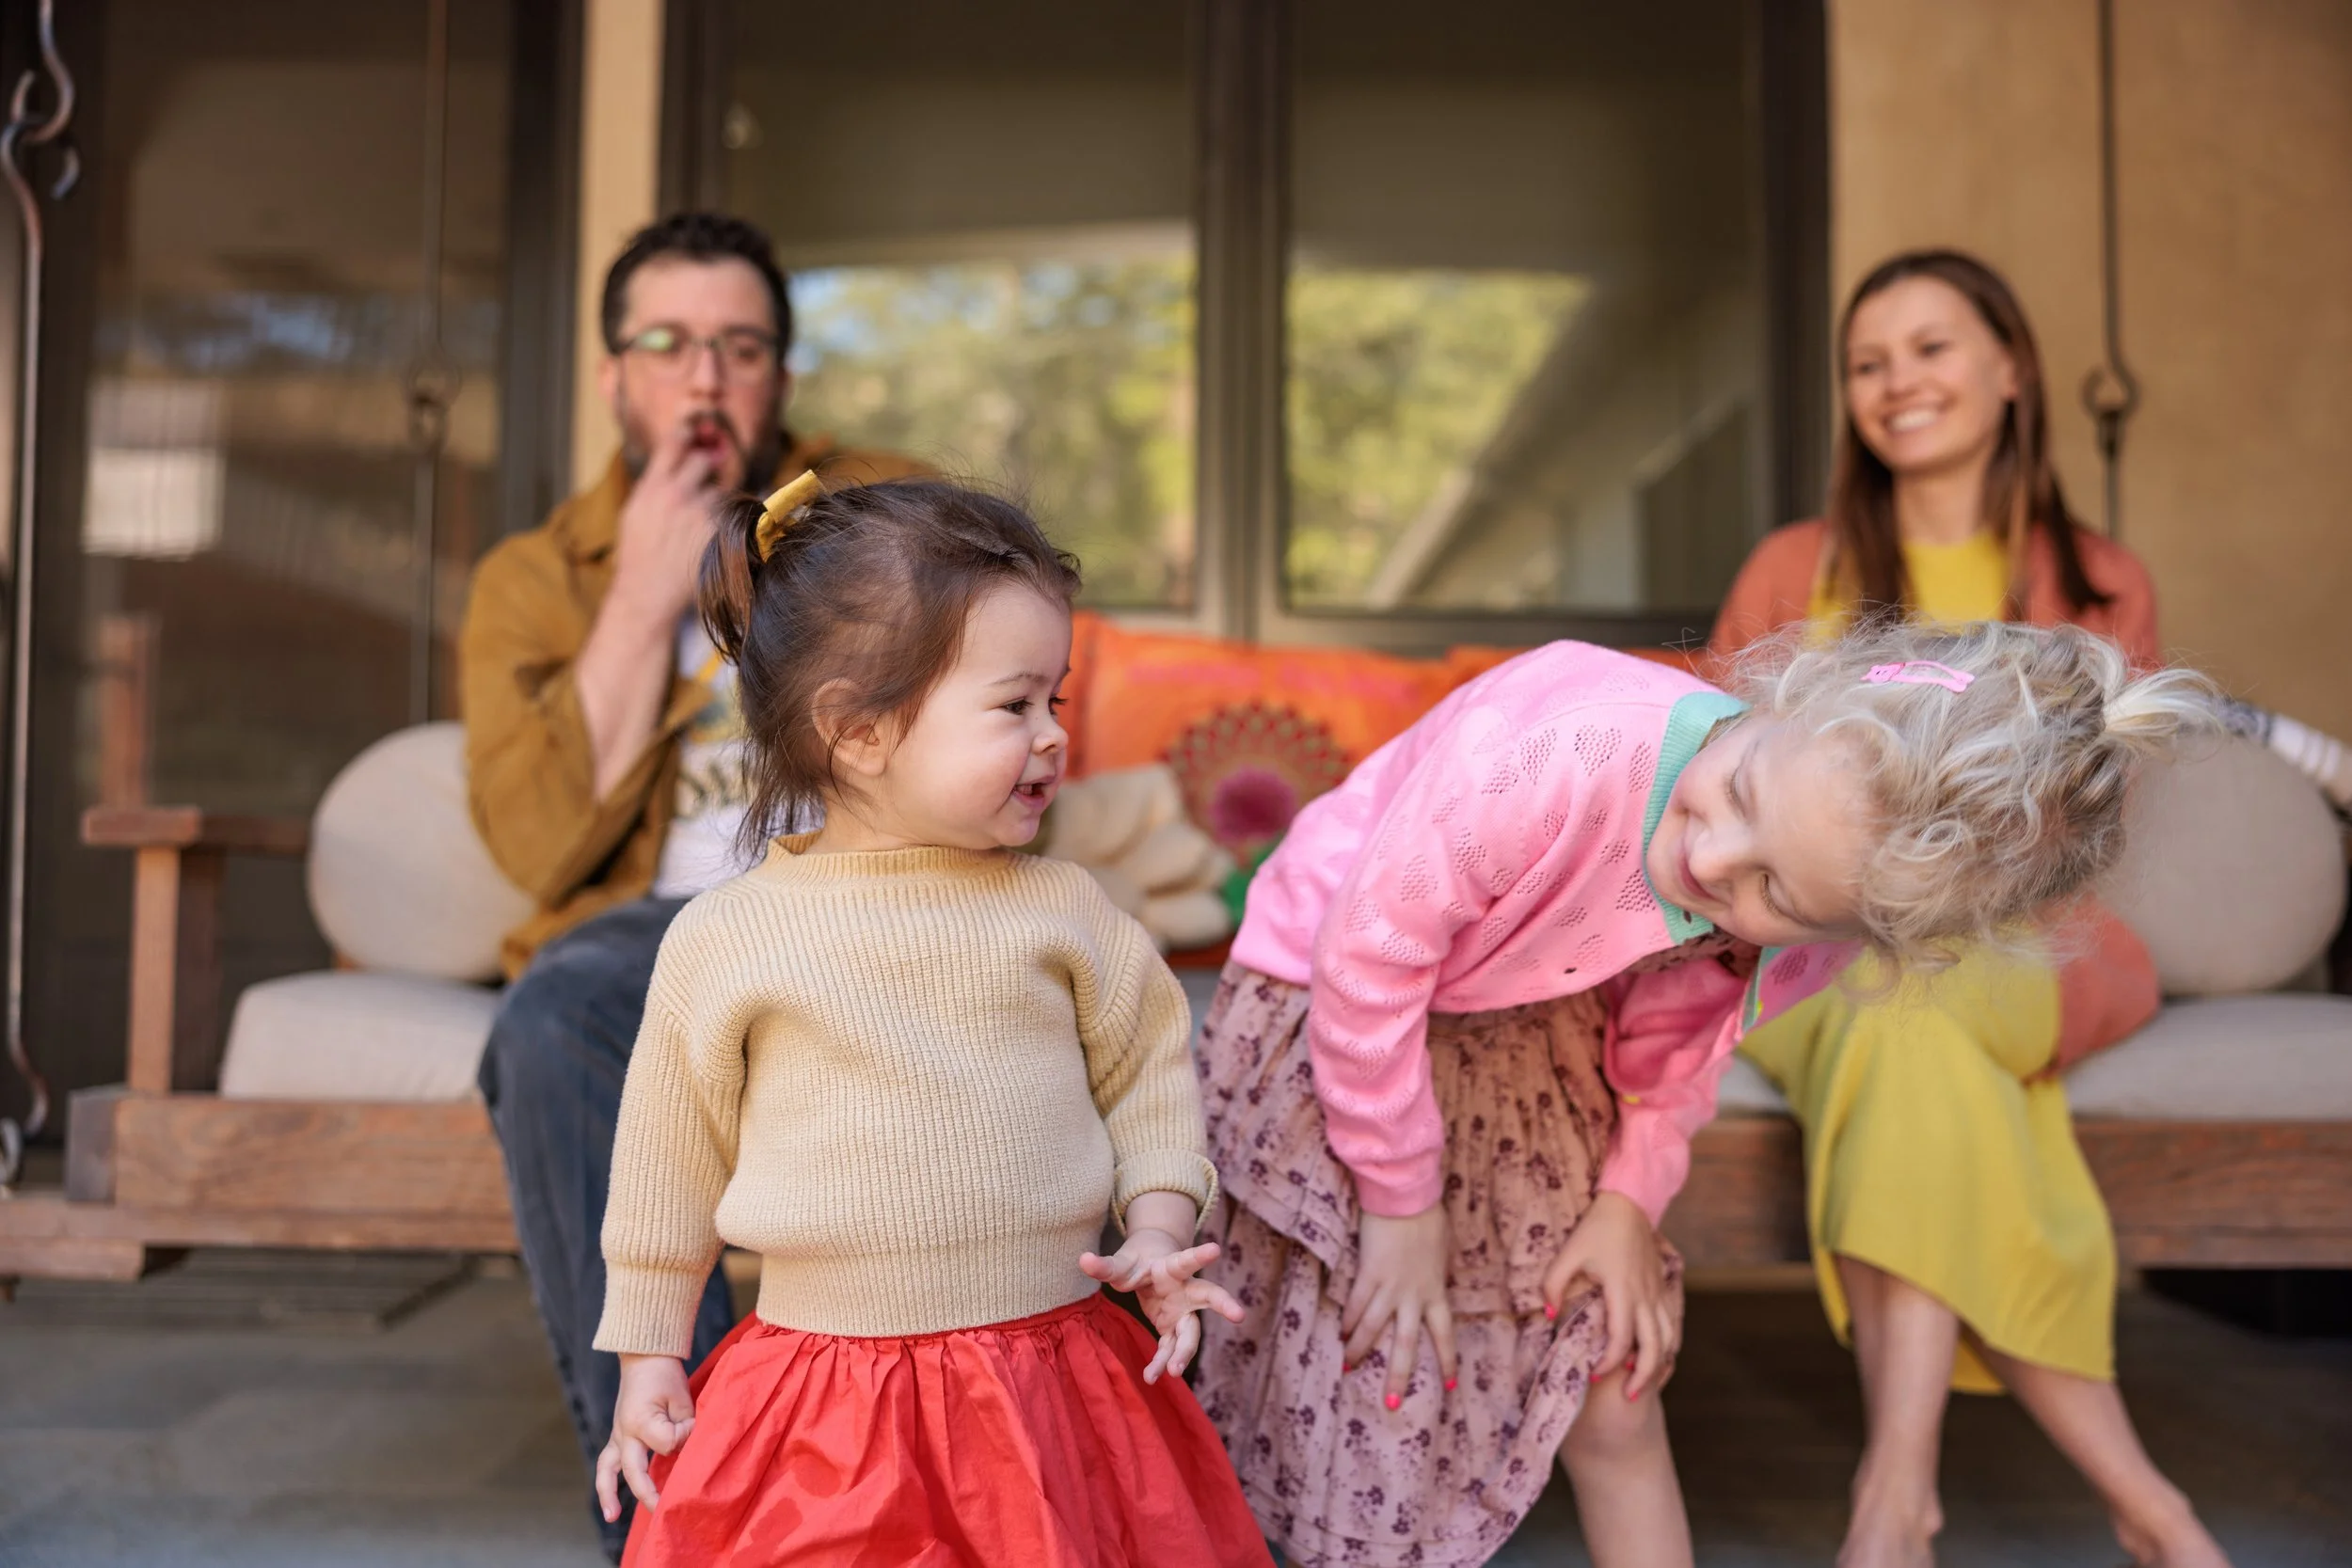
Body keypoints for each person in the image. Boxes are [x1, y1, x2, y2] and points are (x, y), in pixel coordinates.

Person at [1188, 615, 2210, 1568]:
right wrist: (1401, 1204)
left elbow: (1680, 1038)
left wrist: (1628, 1198)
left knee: (1610, 1375)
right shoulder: (1565, 749)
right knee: (1380, 1362)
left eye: (1776, 891)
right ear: (1785, 698)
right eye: (1744, 793)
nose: (1712, 859)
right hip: (1333, 993)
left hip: (1529, 1025)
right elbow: (1370, 957)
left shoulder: (1799, 936)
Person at [588, 473, 1272, 1566]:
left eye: (1059, 700)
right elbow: (667, 1161)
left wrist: (1153, 1224)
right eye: (1015, 704)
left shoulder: (1064, 908)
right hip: (827, 1400)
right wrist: (646, 1355)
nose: (1053, 736)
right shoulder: (732, 936)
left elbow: (1149, 1070)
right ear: (858, 730)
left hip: (1055, 1376)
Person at [1708, 248, 2232, 1568]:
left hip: (2027, 938)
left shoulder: (2103, 584)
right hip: (1822, 945)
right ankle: (2135, 1505)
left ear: (2012, 369)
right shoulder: (1796, 564)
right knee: (1902, 1014)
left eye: (1932, 348)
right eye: (1870, 361)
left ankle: (1895, 1501)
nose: (1899, 383)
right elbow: (1717, 766)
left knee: (1921, 997)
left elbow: (2092, 824)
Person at [458, 212, 922, 1559]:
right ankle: (711, 1524)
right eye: (666, 345)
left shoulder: (873, 518)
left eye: (738, 346)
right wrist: (641, 602)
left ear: (779, 373)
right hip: (655, 934)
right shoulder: (534, 579)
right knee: (550, 1023)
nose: (704, 380)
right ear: (614, 375)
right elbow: (535, 843)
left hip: (861, 896)